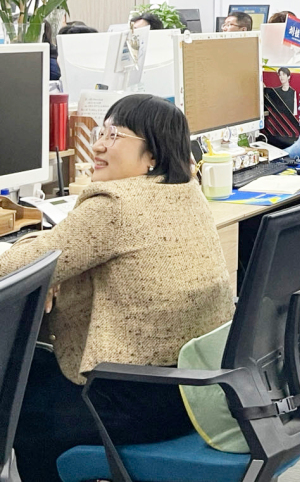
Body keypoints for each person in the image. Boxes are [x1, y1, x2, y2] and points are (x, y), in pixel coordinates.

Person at [0, 94, 233, 482]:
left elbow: (16, 267)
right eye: (101, 132)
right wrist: (54, 266)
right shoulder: (185, 190)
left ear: (152, 154)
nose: (99, 145)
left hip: (134, 403)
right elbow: (57, 253)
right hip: (196, 391)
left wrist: (47, 265)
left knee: (16, 404)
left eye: (115, 135)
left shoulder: (113, 204)